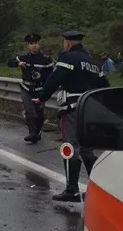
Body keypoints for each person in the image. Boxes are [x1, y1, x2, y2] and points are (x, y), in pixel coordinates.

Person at [32, 30, 109, 202]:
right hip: (91, 109)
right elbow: (105, 85)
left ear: (67, 43)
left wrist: (42, 97)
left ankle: (72, 190)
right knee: (88, 149)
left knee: (70, 147)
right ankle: (99, 189)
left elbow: (54, 79)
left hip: (73, 109)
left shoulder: (67, 59)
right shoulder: (93, 61)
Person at [6, 34, 54, 144]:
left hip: (40, 88)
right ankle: (32, 133)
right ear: (28, 45)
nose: (34, 46)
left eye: (35, 43)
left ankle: (37, 132)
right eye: (31, 44)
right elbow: (9, 63)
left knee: (39, 113)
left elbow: (51, 75)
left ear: (39, 44)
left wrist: (43, 80)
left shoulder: (45, 59)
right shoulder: (23, 58)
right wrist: (18, 63)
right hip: (26, 88)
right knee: (29, 110)